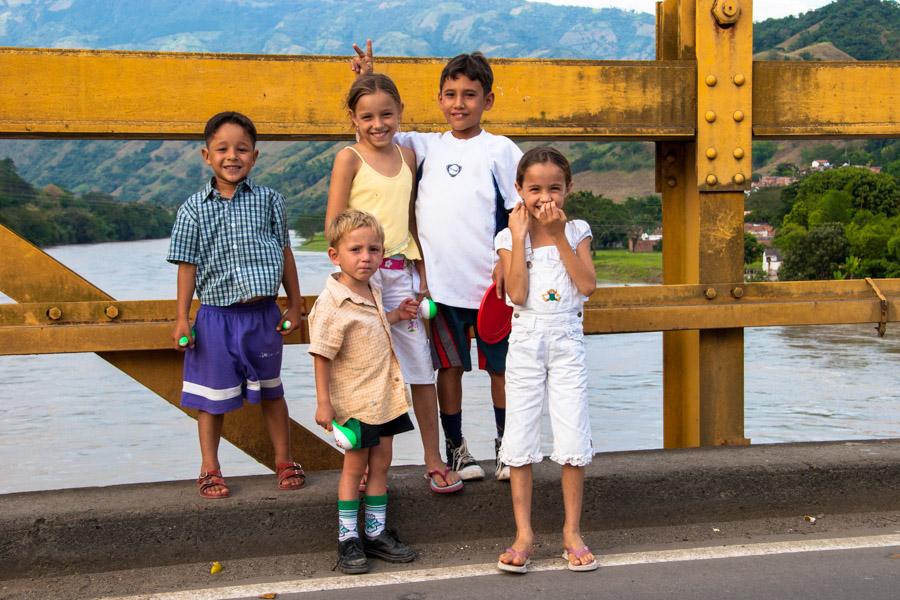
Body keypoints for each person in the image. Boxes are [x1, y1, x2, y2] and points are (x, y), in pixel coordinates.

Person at [352, 41, 523, 481]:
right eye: (450, 94)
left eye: (470, 95)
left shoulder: (501, 150)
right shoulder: (422, 145)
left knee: (500, 369)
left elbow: (518, 210)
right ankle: (457, 448)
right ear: (439, 99)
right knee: (448, 367)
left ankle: (508, 446)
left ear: (488, 100)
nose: (459, 104)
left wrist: (509, 259)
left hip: (492, 288)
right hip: (440, 288)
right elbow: (373, 130)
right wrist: (364, 78)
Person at [325, 73, 462, 494]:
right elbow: (333, 224)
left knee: (419, 367)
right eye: (367, 116)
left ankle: (433, 457)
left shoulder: (408, 157)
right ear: (353, 119)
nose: (378, 123)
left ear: (401, 113)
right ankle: (364, 458)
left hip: (403, 273)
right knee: (364, 368)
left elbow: (412, 217)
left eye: (387, 114)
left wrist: (423, 274)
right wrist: (351, 275)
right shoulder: (349, 158)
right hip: (362, 276)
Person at [167, 111, 305, 499]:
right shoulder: (193, 208)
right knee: (210, 400)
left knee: (272, 391)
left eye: (242, 149)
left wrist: (294, 305)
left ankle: (284, 460)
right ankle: (210, 468)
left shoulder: (269, 201)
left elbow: (284, 253)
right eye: (222, 149)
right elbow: (186, 265)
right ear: (206, 155)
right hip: (214, 317)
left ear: (255, 156)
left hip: (262, 316)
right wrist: (182, 318)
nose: (233, 156)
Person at [493, 147, 598, 573]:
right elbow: (516, 294)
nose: (544, 196)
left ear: (568, 188)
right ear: (518, 190)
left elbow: (587, 284)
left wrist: (556, 235)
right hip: (526, 339)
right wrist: (519, 238)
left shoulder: (577, 230)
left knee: (573, 434)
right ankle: (524, 534)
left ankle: (571, 532)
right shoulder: (506, 237)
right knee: (519, 437)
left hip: (568, 339)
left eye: (554, 187)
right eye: (534, 188)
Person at [309, 209, 418, 575]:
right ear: (335, 255)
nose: (366, 257)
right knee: (354, 468)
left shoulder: (373, 288)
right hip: (354, 401)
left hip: (384, 397)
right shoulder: (331, 304)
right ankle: (348, 539)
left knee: (382, 462)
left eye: (373, 249)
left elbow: (373, 325)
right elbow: (321, 355)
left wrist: (398, 316)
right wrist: (324, 403)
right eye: (355, 250)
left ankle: (375, 531)